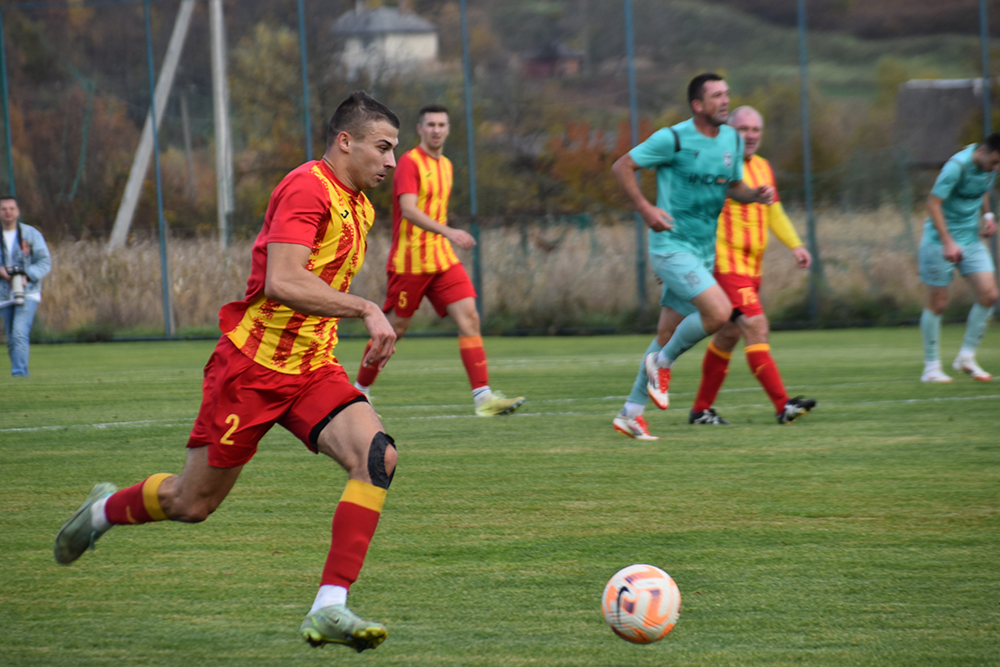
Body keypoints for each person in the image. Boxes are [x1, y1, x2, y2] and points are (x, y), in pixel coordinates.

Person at [54, 91, 403, 653]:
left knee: (377, 457)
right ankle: (102, 512)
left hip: (312, 368)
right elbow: (281, 281)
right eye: (383, 147)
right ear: (346, 141)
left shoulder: (359, 205)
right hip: (251, 368)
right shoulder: (308, 187)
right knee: (191, 503)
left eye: (394, 150)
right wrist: (366, 308)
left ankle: (328, 606)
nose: (391, 161)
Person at [610, 73, 775, 440]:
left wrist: (755, 195)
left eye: (726, 94)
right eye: (716, 96)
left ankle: (630, 414)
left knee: (667, 331)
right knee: (718, 313)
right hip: (670, 246)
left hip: (702, 251)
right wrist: (645, 209)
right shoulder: (672, 138)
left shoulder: (731, 140)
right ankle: (662, 363)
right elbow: (622, 166)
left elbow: (733, 186)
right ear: (697, 105)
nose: (725, 101)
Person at [353, 103, 524, 416]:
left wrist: (445, 236)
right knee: (394, 329)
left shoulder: (446, 165)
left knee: (470, 318)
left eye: (441, 125)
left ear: (447, 129)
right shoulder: (409, 162)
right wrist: (449, 231)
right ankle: (358, 391)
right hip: (410, 262)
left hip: (442, 260)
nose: (436, 130)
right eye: (430, 124)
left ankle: (483, 397)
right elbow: (409, 210)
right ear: (420, 129)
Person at [689, 106, 817, 425]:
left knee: (728, 335)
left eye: (756, 129)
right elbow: (693, 211)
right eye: (743, 129)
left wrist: (795, 245)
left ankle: (701, 410)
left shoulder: (763, 167)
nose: (750, 135)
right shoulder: (715, 165)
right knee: (757, 325)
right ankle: (783, 405)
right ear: (728, 132)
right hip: (725, 264)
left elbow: (774, 211)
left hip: (751, 269)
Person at [918, 134, 1000, 383]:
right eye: (994, 162)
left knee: (989, 295)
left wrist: (988, 216)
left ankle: (966, 357)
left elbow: (982, 189)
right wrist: (947, 242)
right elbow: (933, 204)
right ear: (983, 151)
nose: (996, 168)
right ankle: (931, 367)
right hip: (939, 240)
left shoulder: (989, 167)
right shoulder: (956, 167)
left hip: (971, 240)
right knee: (938, 304)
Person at [0, 195, 51, 376]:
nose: (8, 212)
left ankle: (19, 373)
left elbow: (45, 262)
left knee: (19, 332)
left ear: (18, 212)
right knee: (11, 337)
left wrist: (27, 275)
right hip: (3, 293)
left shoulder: (31, 234)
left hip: (28, 291)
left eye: (11, 209)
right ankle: (19, 372)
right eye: (4, 209)